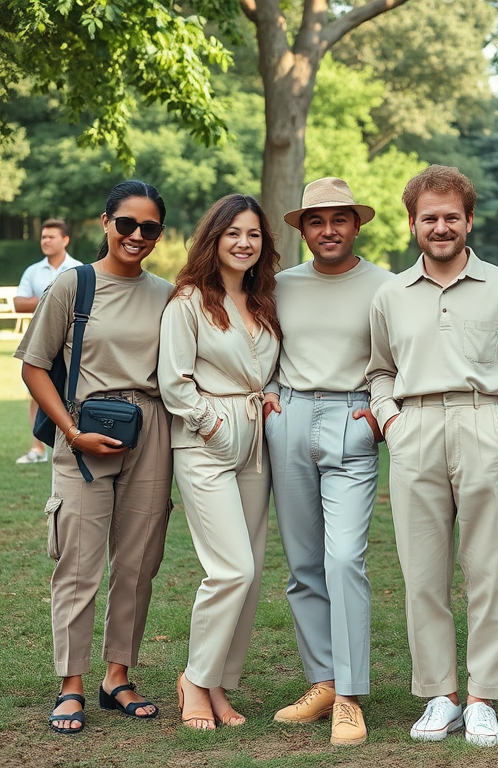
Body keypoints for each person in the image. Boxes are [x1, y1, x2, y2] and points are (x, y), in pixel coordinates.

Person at [366, 165, 498, 748]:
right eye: (429, 218)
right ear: (413, 224)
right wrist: (393, 422)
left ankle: (482, 699)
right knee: (422, 573)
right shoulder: (390, 296)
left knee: (490, 570)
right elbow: (378, 373)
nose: (440, 227)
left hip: (482, 424)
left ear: (469, 220)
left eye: (451, 217)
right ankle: (441, 696)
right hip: (414, 429)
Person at [16, 181, 174, 735]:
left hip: (151, 432)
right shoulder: (72, 285)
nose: (136, 236)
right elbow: (34, 365)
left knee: (138, 562)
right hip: (82, 432)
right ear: (106, 222)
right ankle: (72, 684)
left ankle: (116, 677)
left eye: (148, 227)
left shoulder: (169, 294)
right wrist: (71, 431)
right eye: (126, 224)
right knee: (78, 562)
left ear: (159, 233)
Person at [264, 178, 394, 746]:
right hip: (287, 417)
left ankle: (350, 697)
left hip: (352, 420)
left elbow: (406, 355)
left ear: (356, 225)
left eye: (339, 219)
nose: (328, 231)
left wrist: (378, 416)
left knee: (344, 559)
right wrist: (267, 392)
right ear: (302, 230)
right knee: (303, 564)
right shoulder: (280, 285)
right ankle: (321, 680)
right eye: (316, 222)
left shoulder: (387, 287)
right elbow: (256, 344)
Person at [158, 194, 282, 730]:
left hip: (257, 446)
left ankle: (216, 686)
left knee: (250, 576)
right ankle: (192, 682)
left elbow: (268, 366)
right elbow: (173, 379)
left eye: (253, 234)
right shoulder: (188, 300)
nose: (244, 243)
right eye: (233, 233)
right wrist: (211, 422)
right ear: (214, 237)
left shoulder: (262, 300)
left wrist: (272, 392)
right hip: (206, 443)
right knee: (232, 568)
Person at [14, 219, 82, 464]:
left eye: (51, 236)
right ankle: (37, 449)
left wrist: (44, 297)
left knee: (72, 393)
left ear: (65, 240)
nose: (46, 241)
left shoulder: (80, 269)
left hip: (71, 344)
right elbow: (19, 303)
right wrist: (57, 296)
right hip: (41, 342)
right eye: (43, 237)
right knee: (37, 392)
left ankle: (71, 443)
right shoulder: (33, 271)